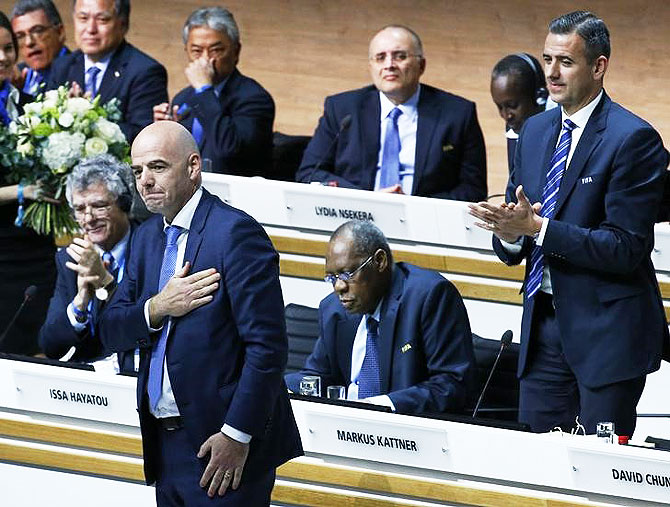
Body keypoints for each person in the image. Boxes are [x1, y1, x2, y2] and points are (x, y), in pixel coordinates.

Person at [469, 11, 670, 436]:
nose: (552, 74)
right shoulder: (535, 131)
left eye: (566, 62)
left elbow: (625, 247)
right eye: (546, 60)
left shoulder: (633, 139)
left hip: (607, 335)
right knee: (537, 468)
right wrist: (507, 234)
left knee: (600, 474)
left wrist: (538, 230)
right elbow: (520, 221)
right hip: (542, 329)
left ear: (599, 67)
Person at [99, 121, 302, 505]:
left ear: (193, 167)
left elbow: (268, 348)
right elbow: (111, 329)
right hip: (164, 443)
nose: (145, 181)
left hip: (224, 448)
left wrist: (237, 435)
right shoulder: (145, 238)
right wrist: (158, 307)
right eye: (137, 171)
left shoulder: (235, 234)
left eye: (157, 167)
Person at [285, 220, 474, 415]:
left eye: (347, 274)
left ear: (380, 261)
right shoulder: (333, 309)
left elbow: (451, 385)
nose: (339, 287)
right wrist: (278, 386)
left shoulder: (428, 296)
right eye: (332, 277)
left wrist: (381, 406)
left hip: (404, 433)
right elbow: (318, 376)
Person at [296, 25, 487, 202]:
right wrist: (368, 199)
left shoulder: (458, 114)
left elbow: (473, 190)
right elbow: (309, 173)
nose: (389, 65)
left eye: (400, 56)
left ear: (422, 65)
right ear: (371, 67)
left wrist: (414, 206)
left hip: (424, 224)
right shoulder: (342, 109)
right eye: (380, 58)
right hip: (355, 219)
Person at [39, 154, 137, 373]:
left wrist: (105, 282)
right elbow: (50, 345)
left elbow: (139, 327)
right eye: (80, 209)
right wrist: (80, 304)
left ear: (124, 203)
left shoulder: (151, 246)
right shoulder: (70, 257)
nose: (88, 219)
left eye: (99, 206)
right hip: (87, 382)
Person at [153, 6, 274, 177]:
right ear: (186, 52)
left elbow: (229, 150)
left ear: (236, 52)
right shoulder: (184, 97)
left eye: (216, 50)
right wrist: (165, 130)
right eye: (196, 51)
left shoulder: (254, 98)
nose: (205, 60)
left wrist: (204, 90)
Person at [0, 10, 55, 356]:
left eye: (8, 47)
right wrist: (23, 191)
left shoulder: (33, 108)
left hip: (38, 251)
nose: (3, 57)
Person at [47, 0, 168, 143]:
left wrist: (87, 116)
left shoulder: (145, 72)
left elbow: (143, 137)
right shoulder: (62, 66)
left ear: (123, 25)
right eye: (83, 18)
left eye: (102, 20)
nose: (91, 29)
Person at [490, 53, 547, 174]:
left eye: (512, 106)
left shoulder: (566, 129)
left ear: (539, 97)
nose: (506, 116)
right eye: (500, 107)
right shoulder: (515, 124)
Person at [10, 0, 68, 97]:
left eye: (37, 31)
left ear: (59, 32)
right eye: (20, 36)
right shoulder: (16, 79)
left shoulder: (79, 72)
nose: (29, 42)